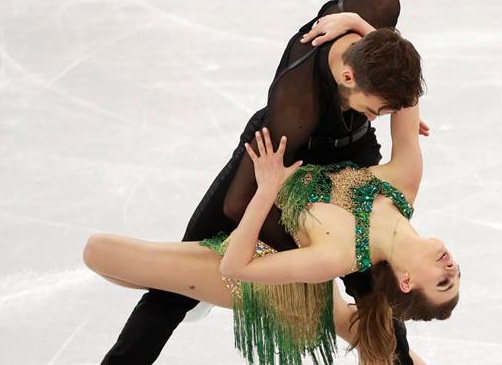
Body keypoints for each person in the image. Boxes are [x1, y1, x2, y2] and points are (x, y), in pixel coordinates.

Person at [95, 1, 429, 364]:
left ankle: (399, 358)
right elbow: (236, 205)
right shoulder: (294, 107)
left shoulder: (370, 13)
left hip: (350, 156)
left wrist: (363, 27)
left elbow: (392, 55)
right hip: (280, 157)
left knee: (373, 287)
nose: (382, 118)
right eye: (378, 110)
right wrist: (319, 256)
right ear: (348, 77)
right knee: (175, 285)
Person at [84, 105, 460, 365]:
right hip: (295, 265)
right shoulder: (405, 183)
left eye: (443, 282)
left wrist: (265, 190)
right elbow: (404, 75)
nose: (452, 268)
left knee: (97, 251)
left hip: (267, 281)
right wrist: (357, 25)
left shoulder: (337, 254)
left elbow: (236, 266)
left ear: (407, 281)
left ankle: (193, 290)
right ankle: (191, 289)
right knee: (353, 323)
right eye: (456, 276)